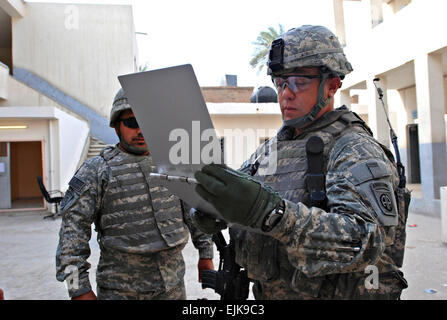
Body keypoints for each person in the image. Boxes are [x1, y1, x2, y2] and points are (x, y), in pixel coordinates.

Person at [192, 25, 409, 299]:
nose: (286, 94)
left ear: (332, 85)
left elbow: (366, 240)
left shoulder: (354, 149)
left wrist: (274, 215)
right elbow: (239, 197)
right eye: (280, 83)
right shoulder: (270, 151)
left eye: (298, 83)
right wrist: (213, 209)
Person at [56, 88, 214, 300]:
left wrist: (206, 254)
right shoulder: (97, 171)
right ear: (117, 126)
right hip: (121, 292)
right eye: (132, 123)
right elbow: (71, 237)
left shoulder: (174, 166)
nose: (141, 130)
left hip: (173, 288)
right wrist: (78, 290)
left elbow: (195, 214)